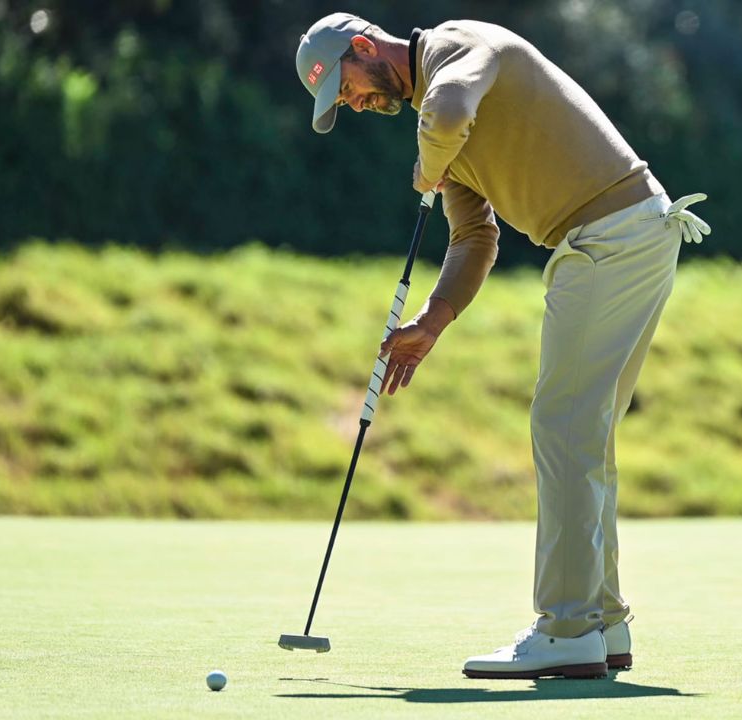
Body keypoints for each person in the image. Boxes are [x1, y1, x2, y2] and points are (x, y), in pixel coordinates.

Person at [295, 12, 709, 680]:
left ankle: (566, 628)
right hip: (625, 235)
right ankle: (602, 623)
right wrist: (433, 319)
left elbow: (452, 109)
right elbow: (474, 240)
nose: (356, 105)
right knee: (585, 433)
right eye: (344, 104)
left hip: (610, 235)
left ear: (363, 48)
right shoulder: (438, 129)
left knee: (563, 424)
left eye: (346, 89)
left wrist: (427, 168)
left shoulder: (460, 48)